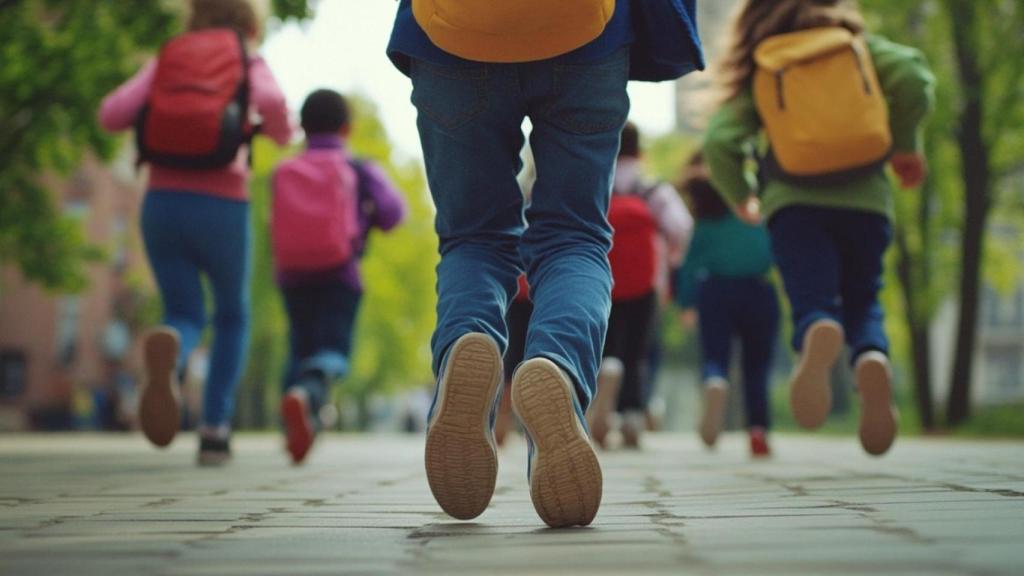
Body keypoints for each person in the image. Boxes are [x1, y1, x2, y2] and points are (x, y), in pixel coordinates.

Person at [387, 0, 703, 527]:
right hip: (583, 31)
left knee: (474, 237)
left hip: (452, 33)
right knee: (574, 238)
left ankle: (471, 341)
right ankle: (556, 368)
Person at [704, 0, 935, 456]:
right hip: (867, 203)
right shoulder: (857, 46)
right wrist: (906, 145)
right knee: (865, 296)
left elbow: (719, 141)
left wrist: (741, 194)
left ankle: (817, 327)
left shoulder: (767, 63)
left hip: (796, 205)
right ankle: (870, 355)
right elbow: (914, 78)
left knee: (813, 301)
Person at [98, 0, 292, 465]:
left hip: (161, 204)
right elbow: (276, 107)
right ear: (250, 21)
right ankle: (214, 429)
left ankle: (175, 349)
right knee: (231, 316)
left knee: (184, 310)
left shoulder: (168, 55)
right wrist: (273, 132)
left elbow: (111, 114)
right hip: (224, 204)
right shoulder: (247, 57)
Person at [273, 89, 407, 465]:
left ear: (302, 127)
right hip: (340, 272)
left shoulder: (287, 169)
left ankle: (295, 427)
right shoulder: (358, 168)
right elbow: (394, 213)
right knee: (332, 350)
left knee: (298, 345)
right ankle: (310, 392)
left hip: (291, 273)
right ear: (347, 128)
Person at [592, 121, 693, 449]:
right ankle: (632, 414)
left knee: (605, 345)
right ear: (639, 150)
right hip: (644, 282)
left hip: (601, 279)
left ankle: (605, 380)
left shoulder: (596, 182)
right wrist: (670, 258)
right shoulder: (652, 189)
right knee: (637, 351)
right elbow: (682, 227)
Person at [675, 152, 779, 458]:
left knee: (715, 354)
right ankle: (758, 431)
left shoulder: (706, 221)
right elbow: (770, 253)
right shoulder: (754, 212)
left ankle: (715, 379)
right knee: (756, 367)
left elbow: (689, 266)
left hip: (715, 291)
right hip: (758, 291)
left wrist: (686, 303)